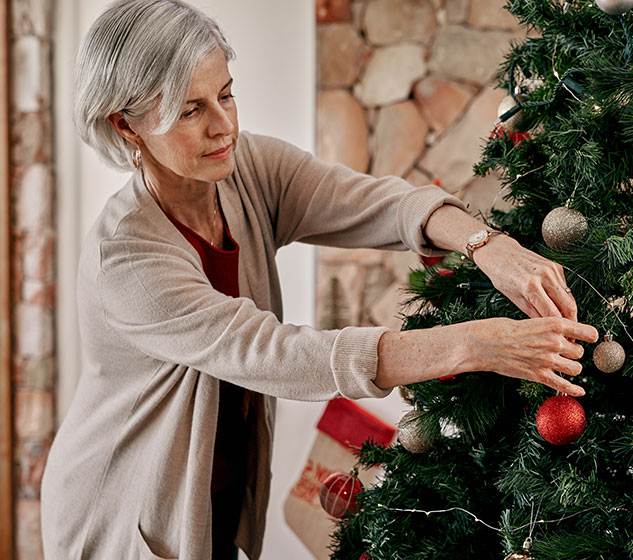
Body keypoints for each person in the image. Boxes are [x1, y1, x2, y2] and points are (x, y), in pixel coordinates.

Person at [40, 1, 599, 559]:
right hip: (122, 509)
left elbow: (369, 201)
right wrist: (475, 344)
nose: (223, 125)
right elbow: (273, 354)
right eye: (190, 111)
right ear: (126, 124)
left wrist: (487, 244)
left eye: (226, 94)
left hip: (215, 487)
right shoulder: (126, 256)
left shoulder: (244, 167)